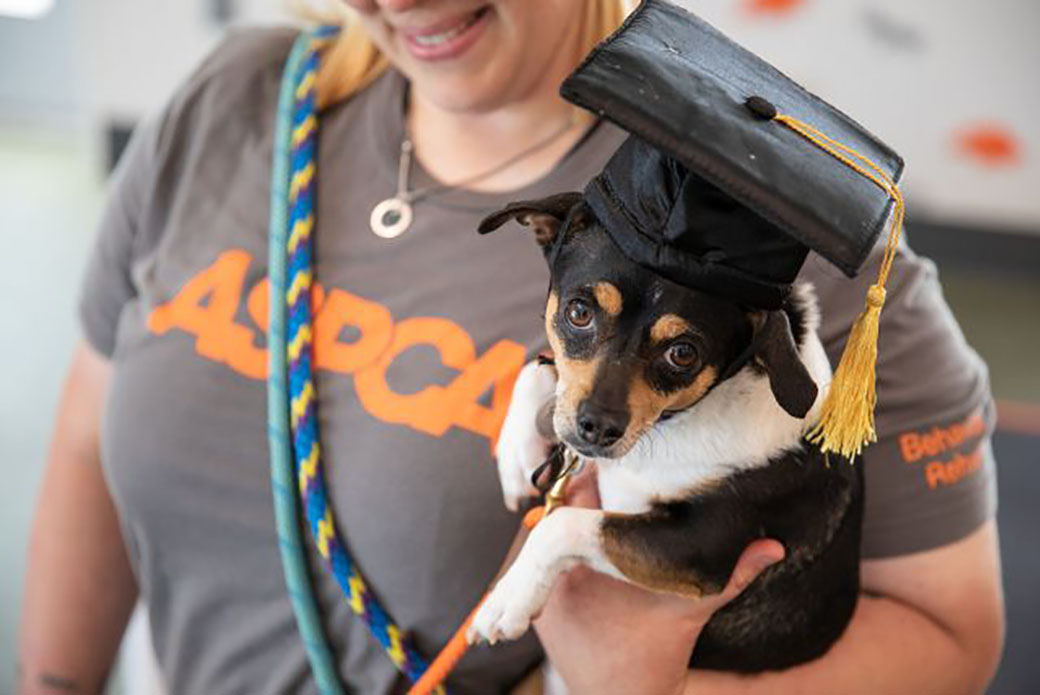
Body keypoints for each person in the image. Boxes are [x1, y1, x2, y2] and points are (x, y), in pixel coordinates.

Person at [19, 1, 1004, 694]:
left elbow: (948, 636)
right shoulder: (239, 100)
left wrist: (641, 691)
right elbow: (83, 435)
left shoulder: (778, 237)